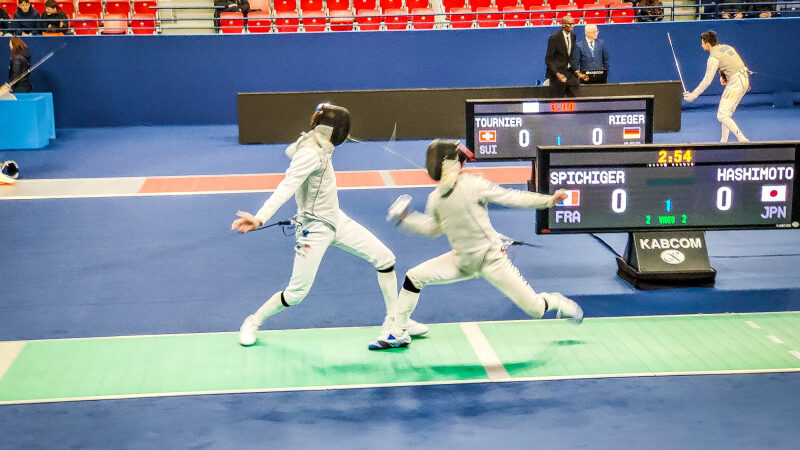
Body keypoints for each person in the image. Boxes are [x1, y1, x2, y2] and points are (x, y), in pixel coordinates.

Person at [232, 103, 428, 347]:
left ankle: (396, 321)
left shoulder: (316, 144)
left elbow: (293, 148)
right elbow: (288, 184)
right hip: (313, 229)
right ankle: (252, 321)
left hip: (336, 219)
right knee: (296, 293)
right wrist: (260, 217)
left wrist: (310, 137)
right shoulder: (310, 153)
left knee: (386, 258)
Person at [370, 140, 583, 350]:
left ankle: (555, 301)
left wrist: (549, 200)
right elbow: (433, 229)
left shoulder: (474, 185)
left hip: (492, 261)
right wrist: (407, 217)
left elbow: (511, 197)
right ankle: (399, 331)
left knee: (535, 309)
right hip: (461, 260)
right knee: (414, 277)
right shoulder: (435, 198)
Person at [683, 30, 750, 143]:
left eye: (702, 43)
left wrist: (692, 96)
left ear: (707, 44)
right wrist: (725, 78)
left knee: (722, 115)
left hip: (736, 83)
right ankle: (723, 142)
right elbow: (733, 64)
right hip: (743, 80)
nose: (701, 45)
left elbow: (707, 81)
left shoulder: (713, 58)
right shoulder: (726, 47)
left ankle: (743, 140)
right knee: (726, 115)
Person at [544, 15, 580, 98]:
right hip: (558, 75)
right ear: (563, 25)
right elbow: (548, 59)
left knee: (576, 100)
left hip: (570, 74)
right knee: (557, 102)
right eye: (570, 24)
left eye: (573, 24)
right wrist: (557, 74)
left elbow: (570, 57)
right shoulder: (554, 38)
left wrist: (576, 71)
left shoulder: (573, 36)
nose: (572, 26)